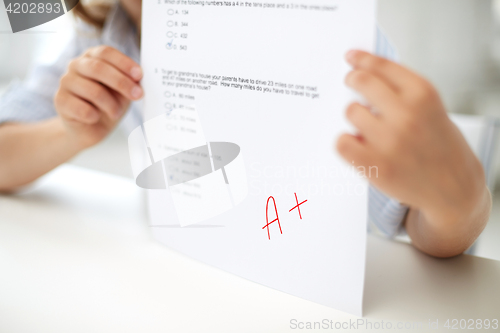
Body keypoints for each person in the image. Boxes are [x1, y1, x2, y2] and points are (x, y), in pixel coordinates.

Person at [0, 0, 491, 258]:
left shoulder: (304, 21)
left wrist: (462, 202)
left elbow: (414, 221)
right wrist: (69, 132)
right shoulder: (100, 29)